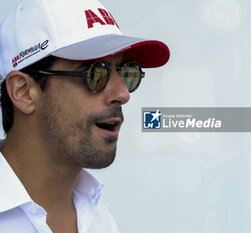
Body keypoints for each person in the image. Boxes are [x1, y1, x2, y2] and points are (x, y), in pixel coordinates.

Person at [0, 0, 170, 232]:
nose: (123, 94)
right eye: (95, 72)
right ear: (24, 92)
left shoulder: (101, 222)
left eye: (125, 72)